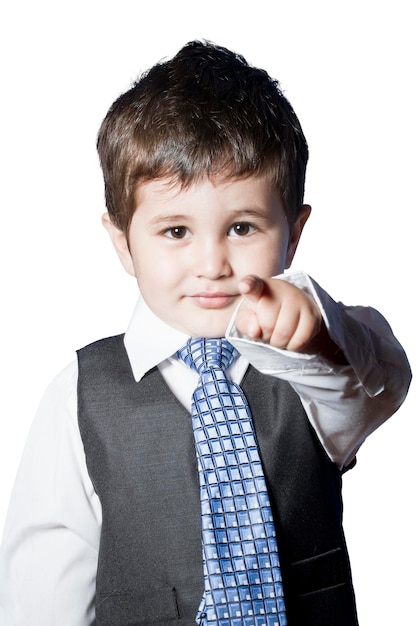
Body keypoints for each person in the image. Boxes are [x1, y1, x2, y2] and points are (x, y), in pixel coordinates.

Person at [0, 40, 411, 626]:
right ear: (123, 242)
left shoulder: (317, 374)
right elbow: (41, 583)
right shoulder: (78, 396)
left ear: (293, 234)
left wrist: (320, 336)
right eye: (175, 231)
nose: (212, 262)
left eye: (242, 226)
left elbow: (383, 383)